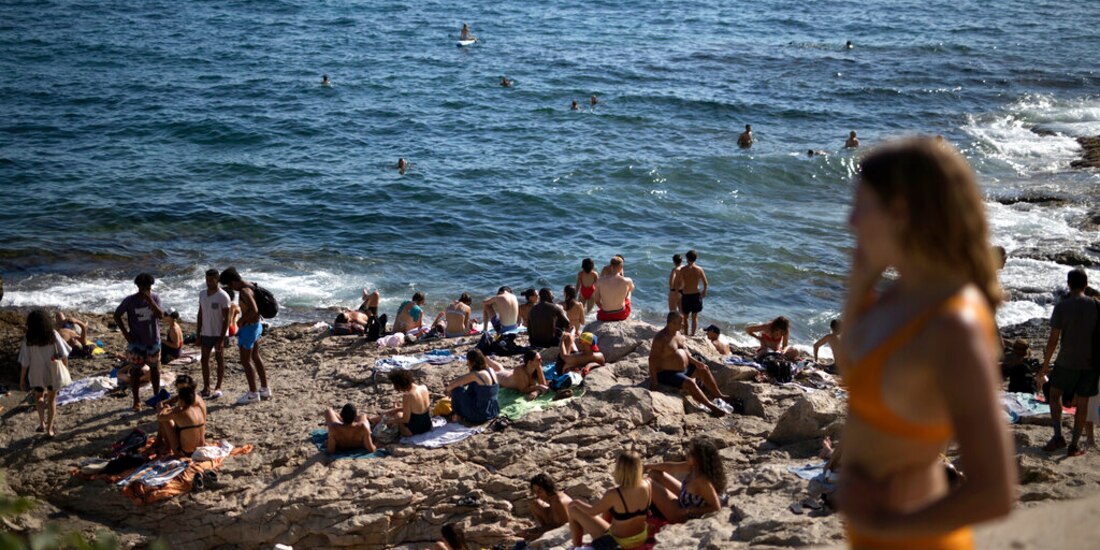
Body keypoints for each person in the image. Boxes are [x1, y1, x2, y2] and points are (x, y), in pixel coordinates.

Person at [835, 138, 1014, 548]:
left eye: (861, 206)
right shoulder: (901, 295)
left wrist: (884, 525)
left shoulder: (954, 326)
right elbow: (856, 372)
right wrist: (859, 284)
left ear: (900, 213)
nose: (850, 221)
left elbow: (996, 493)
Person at [1037, 268, 1099, 456]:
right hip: (1091, 363)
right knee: (1083, 403)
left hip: (1067, 361)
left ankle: (1058, 436)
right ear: (1086, 284)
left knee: (1054, 395)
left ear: (1068, 284)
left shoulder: (1062, 306)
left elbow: (1053, 340)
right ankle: (1074, 445)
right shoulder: (1097, 305)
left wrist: (1045, 365)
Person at [568, 451, 651, 549]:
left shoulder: (614, 493)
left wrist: (576, 502)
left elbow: (592, 512)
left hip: (618, 543)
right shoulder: (647, 484)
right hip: (641, 536)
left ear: (620, 469)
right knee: (610, 508)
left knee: (573, 509)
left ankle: (576, 547)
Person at [649, 312, 727, 416]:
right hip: (666, 373)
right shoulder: (661, 338)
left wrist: (697, 363)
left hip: (683, 369)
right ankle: (711, 407)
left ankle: (719, 395)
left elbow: (686, 353)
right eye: (680, 323)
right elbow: (652, 360)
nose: (683, 325)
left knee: (704, 368)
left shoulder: (678, 334)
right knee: (690, 383)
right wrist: (654, 383)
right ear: (671, 323)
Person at [114, 273, 167, 411]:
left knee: (155, 369)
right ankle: (136, 400)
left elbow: (161, 315)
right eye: (143, 288)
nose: (146, 290)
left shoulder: (155, 298)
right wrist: (126, 334)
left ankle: (156, 398)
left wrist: (150, 300)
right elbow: (117, 315)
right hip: (136, 343)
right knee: (135, 370)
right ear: (138, 287)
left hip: (153, 341)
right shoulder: (130, 300)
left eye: (148, 288)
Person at [219, 267, 272, 404]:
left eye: (229, 285)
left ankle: (253, 393)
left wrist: (241, 321)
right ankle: (265, 389)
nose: (231, 288)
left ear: (233, 281)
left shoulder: (244, 291)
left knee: (245, 360)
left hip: (249, 328)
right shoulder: (251, 285)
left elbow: (254, 309)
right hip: (257, 326)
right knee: (255, 357)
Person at [19, 309, 71, 438]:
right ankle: (49, 429)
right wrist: (65, 369)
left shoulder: (28, 338)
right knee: (52, 399)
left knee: (39, 397)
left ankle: (42, 423)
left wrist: (22, 379)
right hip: (52, 371)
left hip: (36, 373)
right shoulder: (52, 334)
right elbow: (64, 354)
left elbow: (25, 361)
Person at [646, 439, 727, 522]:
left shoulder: (702, 481)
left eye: (691, 453)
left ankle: (641, 512)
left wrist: (690, 510)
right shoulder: (694, 467)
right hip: (685, 501)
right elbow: (671, 467)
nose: (687, 453)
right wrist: (647, 466)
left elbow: (716, 508)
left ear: (699, 459)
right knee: (655, 474)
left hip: (685, 515)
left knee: (649, 483)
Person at [197, 268, 230, 399]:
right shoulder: (202, 294)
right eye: (207, 279)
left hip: (219, 334)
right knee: (204, 360)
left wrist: (221, 339)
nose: (208, 282)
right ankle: (206, 388)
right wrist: (198, 334)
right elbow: (200, 314)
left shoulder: (223, 296)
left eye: (211, 280)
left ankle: (218, 387)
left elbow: (227, 319)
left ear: (217, 280)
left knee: (219, 359)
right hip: (206, 332)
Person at [445, 350, 500, 424]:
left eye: (468, 364)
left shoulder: (477, 375)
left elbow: (451, 386)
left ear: (473, 363)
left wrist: (449, 390)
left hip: (481, 415)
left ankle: (457, 415)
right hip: (494, 411)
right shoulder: (490, 370)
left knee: (457, 390)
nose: (468, 366)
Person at [156, 385, 206, 457]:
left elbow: (160, 417)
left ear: (181, 400)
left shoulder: (180, 412)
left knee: (165, 420)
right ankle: (161, 443)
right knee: (178, 424)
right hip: (200, 449)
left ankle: (167, 448)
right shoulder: (198, 408)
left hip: (185, 453)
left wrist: (165, 408)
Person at [384, 369, 432, 436]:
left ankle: (372, 420)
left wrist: (391, 421)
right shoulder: (423, 387)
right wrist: (397, 409)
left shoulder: (407, 396)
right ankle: (372, 420)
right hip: (427, 426)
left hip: (413, 431)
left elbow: (405, 420)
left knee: (398, 415)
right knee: (397, 411)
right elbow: (418, 408)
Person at [593, 256, 634, 322]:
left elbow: (597, 301)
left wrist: (604, 308)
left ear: (610, 266)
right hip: (621, 314)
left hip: (605, 316)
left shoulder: (599, 281)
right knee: (629, 291)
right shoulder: (627, 280)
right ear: (621, 267)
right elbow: (631, 289)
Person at [678, 250, 708, 336]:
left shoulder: (683, 269)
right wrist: (704, 292)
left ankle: (686, 334)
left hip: (686, 295)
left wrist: (678, 291)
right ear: (695, 258)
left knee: (686, 317)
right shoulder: (699, 269)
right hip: (696, 295)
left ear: (687, 258)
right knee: (695, 317)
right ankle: (693, 334)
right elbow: (705, 283)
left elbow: (681, 284)